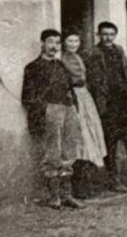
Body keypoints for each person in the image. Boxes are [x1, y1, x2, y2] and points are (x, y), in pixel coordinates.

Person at [82, 21, 127, 195]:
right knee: (110, 142)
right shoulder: (92, 53)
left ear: (115, 35)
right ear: (99, 35)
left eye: (111, 34)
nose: (108, 37)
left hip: (124, 102)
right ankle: (114, 180)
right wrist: (99, 101)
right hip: (108, 105)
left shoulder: (119, 50)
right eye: (104, 34)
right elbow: (93, 81)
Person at [21, 28, 83, 210]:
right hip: (50, 112)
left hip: (68, 109)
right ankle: (54, 196)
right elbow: (27, 97)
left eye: (57, 42)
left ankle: (67, 195)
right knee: (52, 153)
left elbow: (70, 89)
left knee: (69, 151)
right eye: (50, 42)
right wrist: (45, 110)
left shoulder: (61, 65)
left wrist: (73, 107)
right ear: (42, 44)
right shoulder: (32, 67)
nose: (54, 46)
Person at [62, 32, 108, 198]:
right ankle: (77, 186)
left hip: (84, 96)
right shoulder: (62, 59)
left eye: (76, 40)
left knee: (91, 135)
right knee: (80, 137)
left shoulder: (79, 57)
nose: (73, 44)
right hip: (73, 97)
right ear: (64, 42)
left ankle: (88, 183)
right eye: (70, 40)